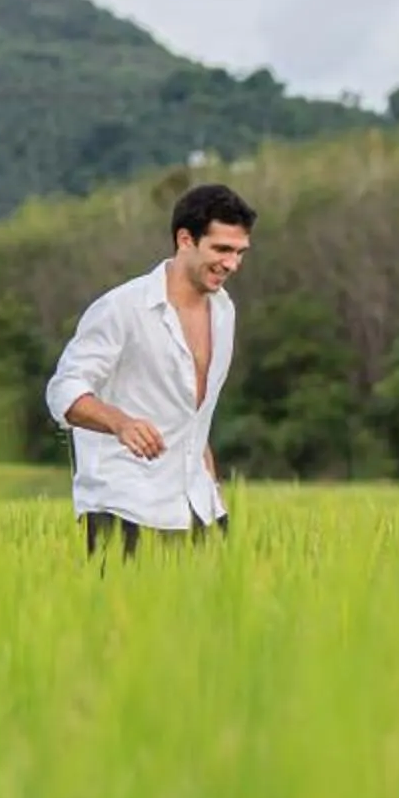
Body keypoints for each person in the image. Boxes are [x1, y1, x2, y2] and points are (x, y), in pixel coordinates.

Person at [45, 182, 255, 557]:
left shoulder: (224, 311)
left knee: (215, 615)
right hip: (124, 506)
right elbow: (63, 390)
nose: (232, 264)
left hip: (199, 507)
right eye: (222, 249)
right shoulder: (122, 308)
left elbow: (193, 416)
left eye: (240, 252)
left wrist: (213, 486)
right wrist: (119, 422)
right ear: (185, 239)